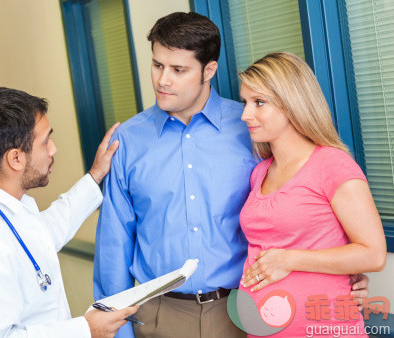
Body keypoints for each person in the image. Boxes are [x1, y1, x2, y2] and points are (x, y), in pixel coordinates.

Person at [93, 12, 371, 338]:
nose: (162, 80)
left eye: (178, 70)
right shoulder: (127, 140)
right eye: (157, 65)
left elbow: (297, 208)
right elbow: (114, 243)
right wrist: (115, 330)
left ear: (209, 70)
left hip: (243, 311)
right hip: (158, 316)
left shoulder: (252, 128)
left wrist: (344, 273)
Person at [0, 87, 137, 337]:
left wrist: (95, 176)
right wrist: (85, 329)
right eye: (45, 141)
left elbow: (45, 232)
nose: (53, 150)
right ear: (16, 159)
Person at [238, 52, 386, 337]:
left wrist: (289, 259)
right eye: (245, 102)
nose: (245, 114)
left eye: (259, 102)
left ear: (292, 104)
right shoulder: (261, 172)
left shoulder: (332, 165)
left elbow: (374, 254)